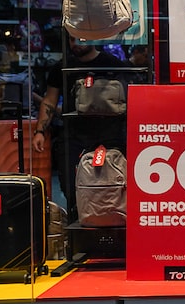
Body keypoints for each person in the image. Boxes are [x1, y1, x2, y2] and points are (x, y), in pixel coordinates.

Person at [32, 37, 128, 203]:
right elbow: (49, 101)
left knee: (113, 182)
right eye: (70, 40)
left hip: (110, 133)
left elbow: (129, 97)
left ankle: (110, 218)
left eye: (79, 39)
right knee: (69, 184)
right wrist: (40, 131)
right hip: (74, 134)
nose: (75, 44)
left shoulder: (112, 64)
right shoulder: (61, 67)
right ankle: (75, 216)